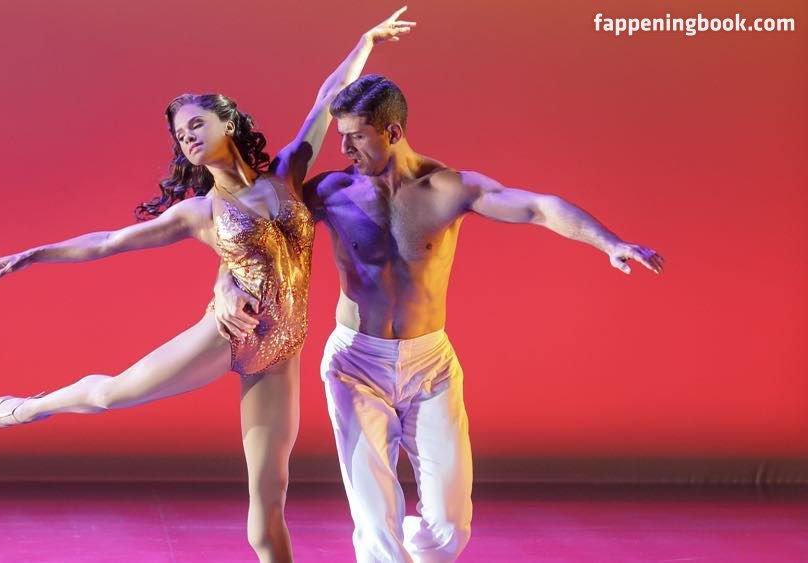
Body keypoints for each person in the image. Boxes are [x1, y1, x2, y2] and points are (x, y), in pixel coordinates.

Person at [0, 11, 416, 562]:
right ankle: (32, 406)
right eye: (181, 136)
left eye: (196, 125)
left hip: (280, 355)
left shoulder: (287, 172)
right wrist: (34, 253)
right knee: (111, 395)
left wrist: (365, 42)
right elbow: (109, 241)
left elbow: (327, 98)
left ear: (228, 123)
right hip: (225, 337)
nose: (188, 139)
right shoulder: (200, 211)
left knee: (269, 503)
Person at [214, 74, 665, 562]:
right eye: (341, 135)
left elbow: (539, 207)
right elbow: (257, 231)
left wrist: (609, 242)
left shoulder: (447, 188)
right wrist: (224, 286)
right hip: (355, 364)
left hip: (430, 365)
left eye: (356, 136)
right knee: (376, 525)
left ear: (392, 132)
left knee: (450, 530)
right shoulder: (331, 190)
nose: (343, 148)